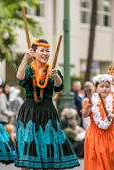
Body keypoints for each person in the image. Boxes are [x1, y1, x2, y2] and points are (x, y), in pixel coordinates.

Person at [15, 39, 80, 170]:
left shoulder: (52, 71)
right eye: (42, 50)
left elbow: (59, 87)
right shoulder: (28, 69)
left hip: (47, 111)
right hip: (29, 110)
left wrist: (55, 76)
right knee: (28, 148)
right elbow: (20, 77)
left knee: (49, 147)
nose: (45, 53)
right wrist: (25, 58)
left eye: (47, 51)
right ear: (34, 53)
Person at [81, 74, 114, 170]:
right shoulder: (90, 101)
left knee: (111, 159)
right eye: (102, 86)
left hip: (109, 135)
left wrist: (111, 116)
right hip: (94, 135)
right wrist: (88, 107)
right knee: (95, 161)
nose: (105, 89)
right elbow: (85, 115)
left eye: (107, 86)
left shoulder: (113, 101)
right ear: (96, 89)